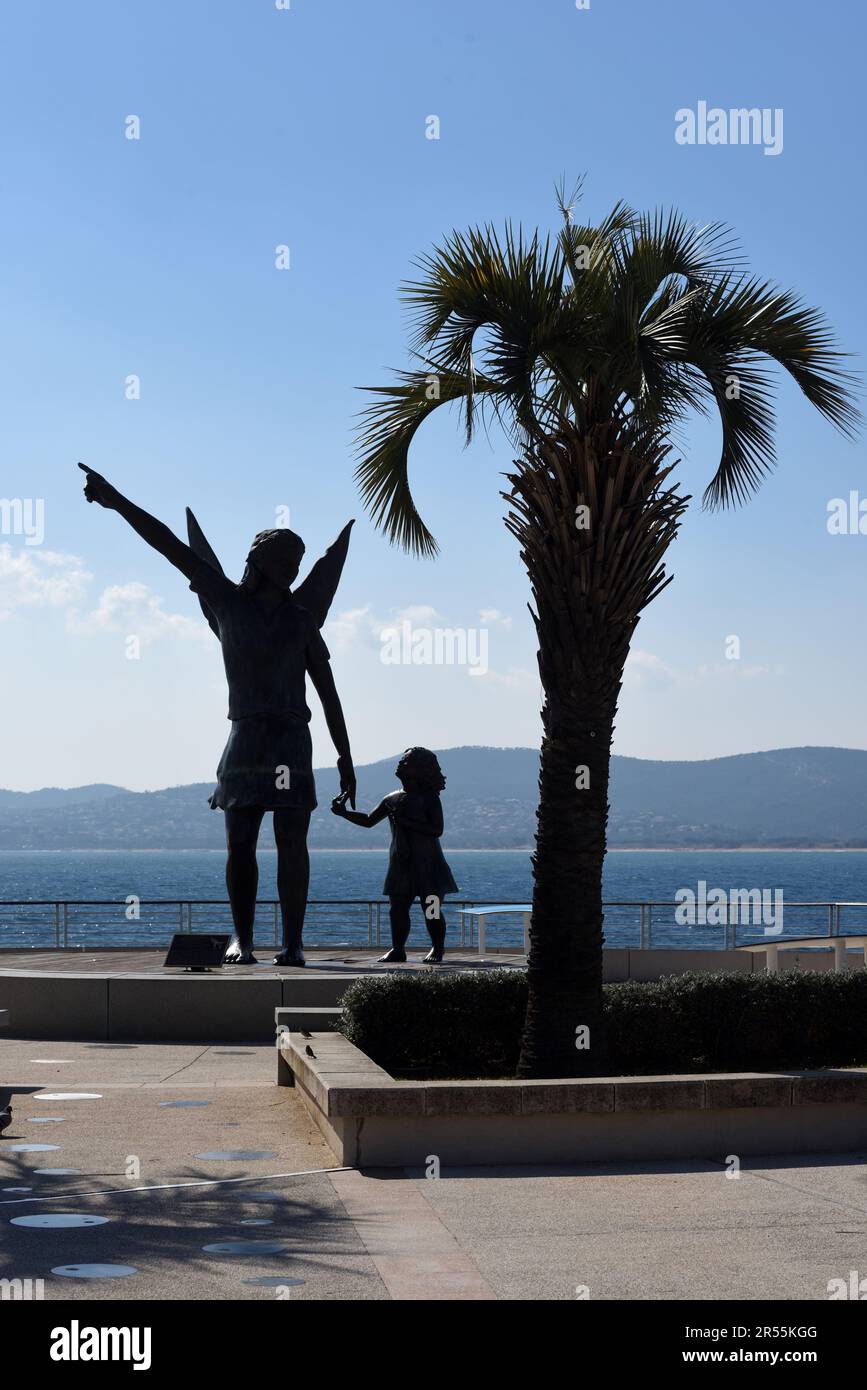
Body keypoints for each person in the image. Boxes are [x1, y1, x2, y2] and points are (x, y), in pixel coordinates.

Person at [78, 462, 356, 967]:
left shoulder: (302, 622)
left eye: (298, 560)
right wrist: (117, 502)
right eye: (285, 558)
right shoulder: (227, 603)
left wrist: (346, 759)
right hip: (246, 739)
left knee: (293, 845)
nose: (293, 567)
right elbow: (168, 546)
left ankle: (292, 943)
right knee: (240, 845)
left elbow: (329, 694)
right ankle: (243, 940)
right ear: (261, 561)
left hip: (293, 739)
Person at [332, 747, 457, 963]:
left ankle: (437, 948)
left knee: (432, 908)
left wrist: (406, 822)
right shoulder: (392, 798)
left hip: (429, 864)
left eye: (406, 761)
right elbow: (370, 820)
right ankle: (397, 949)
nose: (400, 763)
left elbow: (437, 829)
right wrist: (344, 813)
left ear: (420, 769)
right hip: (401, 863)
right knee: (397, 908)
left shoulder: (429, 798)